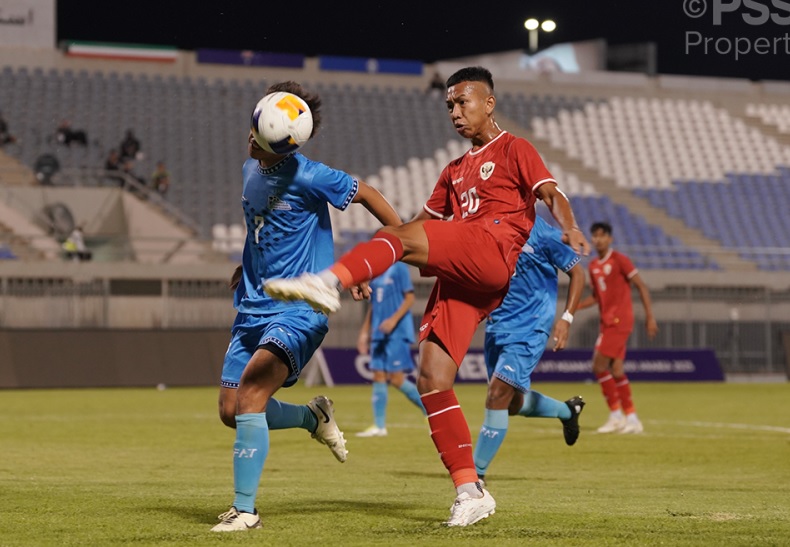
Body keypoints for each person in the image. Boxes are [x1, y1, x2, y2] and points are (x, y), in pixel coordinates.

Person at [264, 66, 590, 527]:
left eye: (464, 102)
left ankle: (326, 282)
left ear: (489, 102)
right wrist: (371, 267)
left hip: (493, 249)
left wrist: (570, 226)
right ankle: (470, 490)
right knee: (432, 379)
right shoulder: (454, 170)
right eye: (450, 105)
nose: (456, 112)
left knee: (406, 240)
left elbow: (551, 193)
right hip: (466, 276)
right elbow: (411, 228)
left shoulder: (515, 149)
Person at [211, 81, 401, 533]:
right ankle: (311, 417)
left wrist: (393, 249)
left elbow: (370, 194)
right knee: (230, 410)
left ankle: (246, 511)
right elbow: (261, 226)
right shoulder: (249, 169)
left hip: (301, 308)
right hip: (253, 306)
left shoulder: (311, 175)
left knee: (253, 394)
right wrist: (245, 265)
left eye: (257, 133)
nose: (250, 137)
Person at [473, 215, 585, 483]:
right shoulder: (490, 228)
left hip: (531, 326)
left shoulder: (544, 234)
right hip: (497, 326)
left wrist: (566, 318)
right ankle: (567, 411)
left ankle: (474, 476)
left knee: (496, 395)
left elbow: (577, 274)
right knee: (510, 404)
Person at [577, 221, 658, 435]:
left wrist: (650, 317)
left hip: (619, 321)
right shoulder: (593, 266)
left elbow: (641, 286)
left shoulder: (620, 260)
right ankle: (631, 418)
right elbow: (596, 296)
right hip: (607, 322)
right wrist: (576, 306)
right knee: (616, 370)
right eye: (594, 236)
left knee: (598, 366)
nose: (598, 239)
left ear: (610, 239)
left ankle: (615, 415)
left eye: (602, 235)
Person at [355, 261, 426, 437]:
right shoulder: (375, 272)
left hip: (397, 331)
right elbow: (373, 305)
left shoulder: (400, 268)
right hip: (379, 332)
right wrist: (364, 332)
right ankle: (379, 427)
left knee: (396, 379)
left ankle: (430, 411)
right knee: (378, 375)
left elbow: (410, 298)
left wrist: (393, 320)